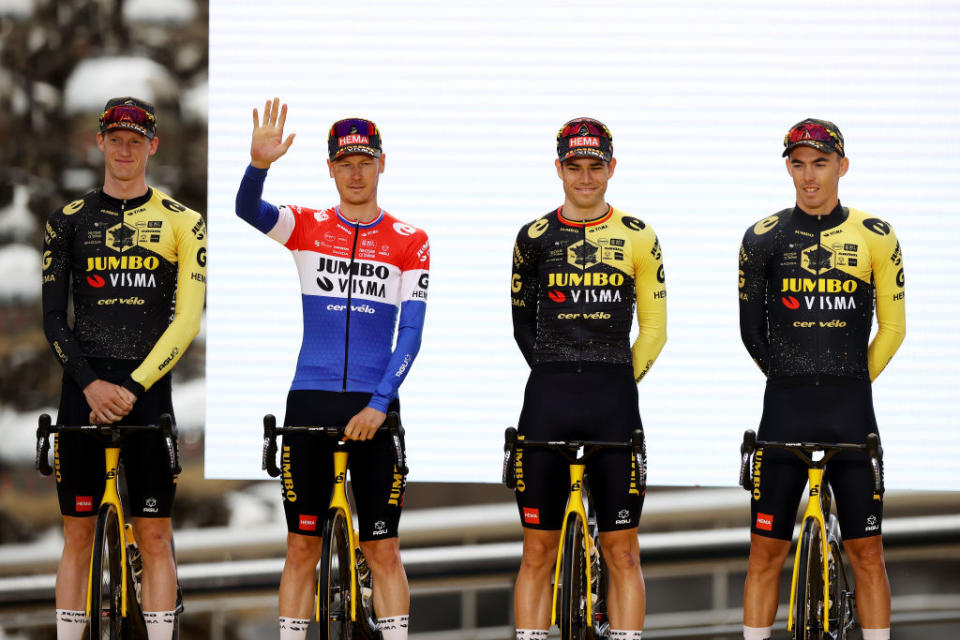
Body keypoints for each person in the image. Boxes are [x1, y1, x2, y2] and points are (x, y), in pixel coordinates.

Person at [235, 98, 429, 640]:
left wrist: (379, 403)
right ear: (331, 170)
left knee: (383, 547)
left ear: (382, 164)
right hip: (311, 398)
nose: (356, 172)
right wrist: (259, 164)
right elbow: (248, 210)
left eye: (365, 161)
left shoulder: (410, 240)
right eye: (345, 163)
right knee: (302, 545)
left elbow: (410, 332)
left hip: (374, 401)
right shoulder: (306, 227)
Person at [41, 97, 206, 640]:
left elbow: (187, 321)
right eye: (117, 138)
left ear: (153, 146)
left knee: (155, 535)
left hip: (148, 393)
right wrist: (90, 384)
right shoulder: (66, 222)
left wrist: (133, 386)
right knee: (78, 535)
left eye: (137, 140)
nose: (125, 149)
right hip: (81, 392)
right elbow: (52, 317)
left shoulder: (184, 222)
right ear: (100, 143)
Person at [738, 118, 906, 640]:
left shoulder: (876, 234)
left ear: (842, 166)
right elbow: (751, 332)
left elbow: (893, 329)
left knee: (868, 553)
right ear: (788, 167)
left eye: (821, 163)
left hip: (850, 408)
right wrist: (792, 378)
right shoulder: (762, 237)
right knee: (765, 551)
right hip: (784, 407)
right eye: (798, 164)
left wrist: (851, 380)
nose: (809, 176)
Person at [509, 118, 667, 640]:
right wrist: (558, 373)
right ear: (558, 169)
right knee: (537, 551)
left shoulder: (638, 235)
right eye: (573, 167)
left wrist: (620, 379)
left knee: (622, 550)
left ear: (611, 169)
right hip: (548, 400)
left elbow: (654, 331)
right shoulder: (532, 237)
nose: (584, 177)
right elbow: (522, 327)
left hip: (613, 403)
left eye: (594, 167)